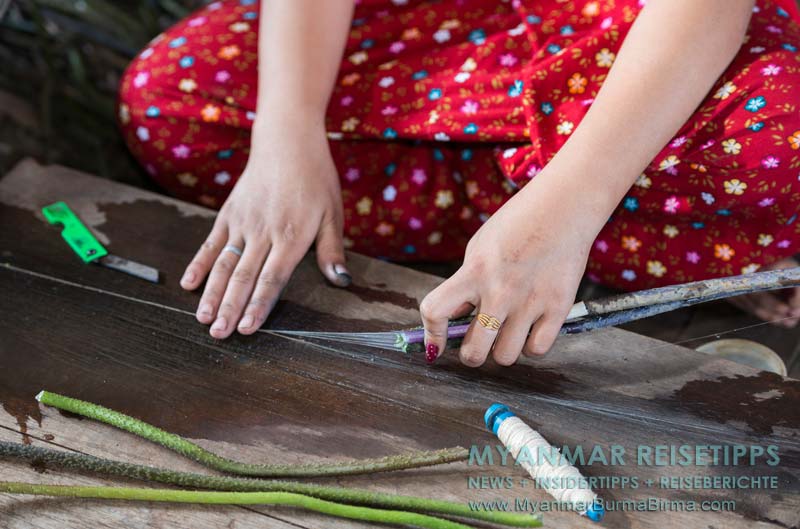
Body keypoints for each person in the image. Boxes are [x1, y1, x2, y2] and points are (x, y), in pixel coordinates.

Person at [118, 0, 800, 367]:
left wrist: (566, 206)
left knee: (781, 130)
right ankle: (665, 231)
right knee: (167, 103)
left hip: (647, 40)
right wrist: (285, 133)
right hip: (453, 34)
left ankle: (569, 227)